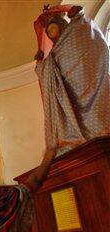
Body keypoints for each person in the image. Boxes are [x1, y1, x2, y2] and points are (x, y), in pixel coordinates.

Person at [34, 5, 110, 155]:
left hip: (91, 81)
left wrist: (79, 16)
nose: (50, 33)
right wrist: (41, 64)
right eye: (48, 32)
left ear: (61, 25)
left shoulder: (78, 31)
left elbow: (97, 45)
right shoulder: (55, 55)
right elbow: (51, 76)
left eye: (52, 28)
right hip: (73, 94)